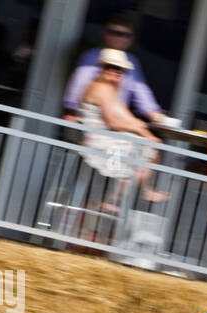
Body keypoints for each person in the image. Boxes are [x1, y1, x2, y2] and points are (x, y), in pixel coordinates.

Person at [77, 49, 164, 206]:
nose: (115, 72)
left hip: (108, 139)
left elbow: (127, 118)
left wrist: (145, 132)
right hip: (100, 142)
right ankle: (115, 199)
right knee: (144, 149)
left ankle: (118, 197)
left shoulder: (111, 91)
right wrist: (142, 131)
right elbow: (113, 122)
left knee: (149, 146)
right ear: (102, 68)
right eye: (110, 67)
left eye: (119, 69)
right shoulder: (101, 88)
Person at [62, 13, 164, 125]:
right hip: (91, 119)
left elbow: (142, 92)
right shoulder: (92, 56)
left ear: (132, 39)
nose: (120, 38)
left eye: (126, 35)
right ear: (105, 34)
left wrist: (157, 116)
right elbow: (78, 84)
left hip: (117, 119)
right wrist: (72, 112)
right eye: (115, 33)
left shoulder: (132, 61)